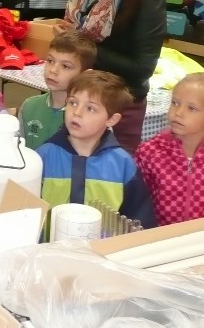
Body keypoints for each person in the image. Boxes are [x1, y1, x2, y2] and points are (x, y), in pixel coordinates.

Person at [55, 0, 166, 155]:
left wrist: (82, 46)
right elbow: (83, 32)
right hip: (82, 96)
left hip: (119, 106)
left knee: (109, 180)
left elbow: (142, 68)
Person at [38, 71, 156, 236]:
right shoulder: (43, 157)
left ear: (111, 120)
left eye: (90, 108)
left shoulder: (123, 164)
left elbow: (139, 219)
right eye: (72, 102)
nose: (77, 112)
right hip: (49, 252)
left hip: (103, 253)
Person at [135, 73, 204, 226]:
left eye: (191, 108)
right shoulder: (149, 152)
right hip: (156, 240)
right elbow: (137, 203)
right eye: (175, 103)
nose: (178, 112)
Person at [19, 31, 96, 150]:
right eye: (50, 61)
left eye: (65, 66)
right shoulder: (29, 106)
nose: (53, 70)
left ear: (84, 75)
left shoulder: (90, 117)